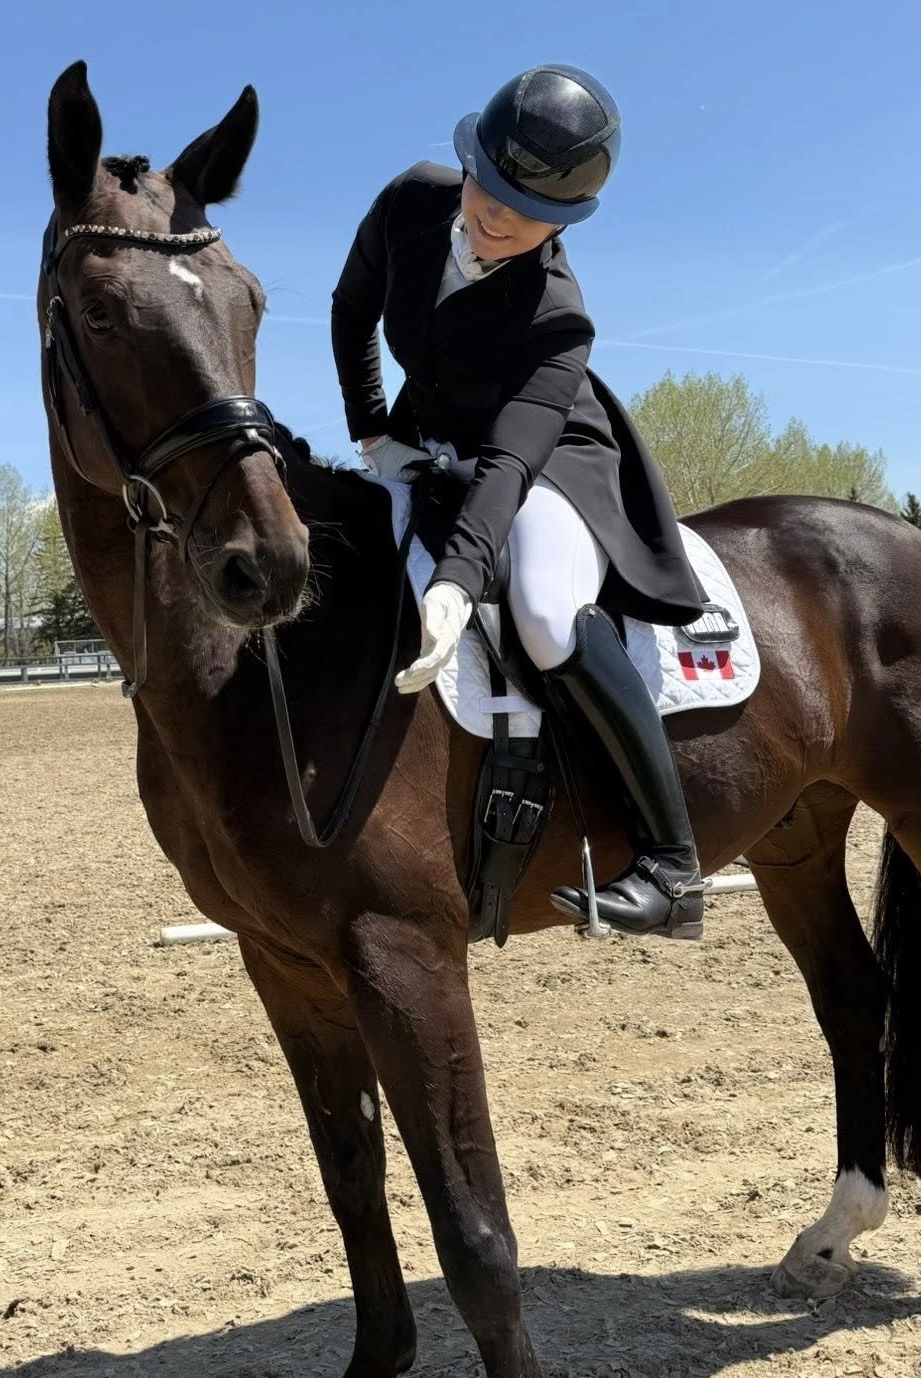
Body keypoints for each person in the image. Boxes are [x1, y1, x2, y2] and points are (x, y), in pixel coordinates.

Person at [331, 64, 710, 939]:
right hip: (426, 435)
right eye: (487, 187)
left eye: (525, 209)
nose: (493, 215)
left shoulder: (558, 316)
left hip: (547, 457)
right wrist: (373, 432)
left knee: (541, 608)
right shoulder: (411, 203)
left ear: (567, 220)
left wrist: (458, 582)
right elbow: (352, 310)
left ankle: (671, 864)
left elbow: (509, 465)